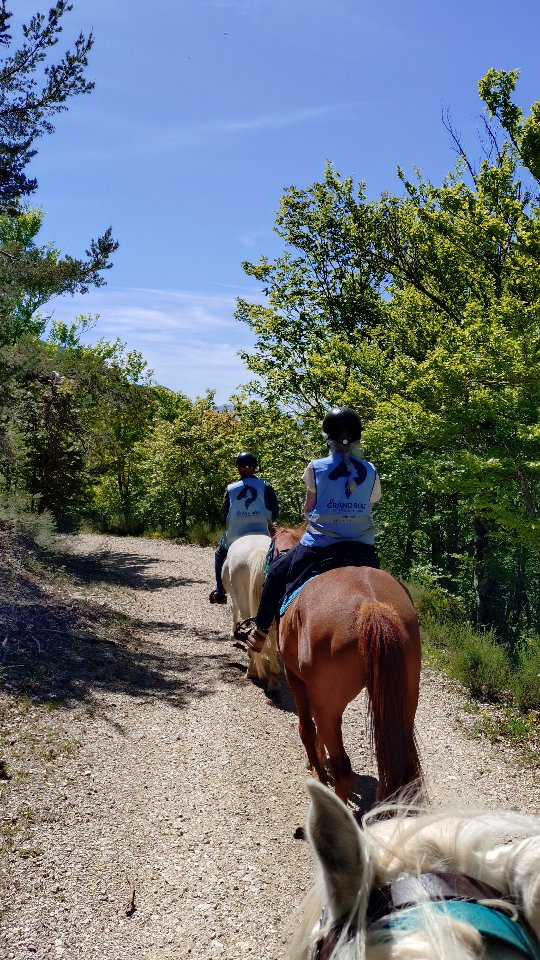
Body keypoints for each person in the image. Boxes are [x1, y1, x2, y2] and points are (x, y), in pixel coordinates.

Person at [240, 407, 381, 650]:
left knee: (274, 574)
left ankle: (260, 632)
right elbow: (370, 503)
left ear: (328, 437)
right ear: (358, 437)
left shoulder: (316, 467)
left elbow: (309, 508)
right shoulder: (371, 469)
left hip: (320, 548)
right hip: (363, 549)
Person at [209, 451, 280, 603]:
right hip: (263, 531)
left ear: (238, 468)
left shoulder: (231, 488)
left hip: (235, 534)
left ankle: (220, 592)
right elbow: (275, 511)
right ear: (255, 468)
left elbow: (224, 513)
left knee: (220, 554)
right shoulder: (266, 486)